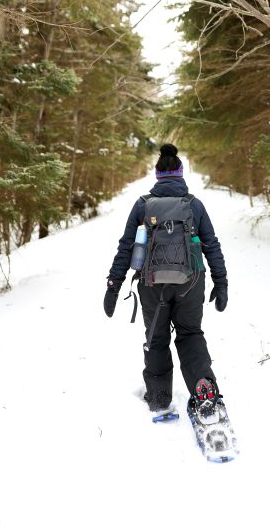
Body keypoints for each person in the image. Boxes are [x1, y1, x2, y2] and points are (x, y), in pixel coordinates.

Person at [103, 143, 228, 414]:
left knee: (157, 339)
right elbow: (212, 245)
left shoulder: (142, 205)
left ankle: (159, 399)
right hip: (190, 283)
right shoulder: (194, 205)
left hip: (151, 285)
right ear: (180, 174)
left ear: (157, 176)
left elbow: (126, 247)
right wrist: (221, 282)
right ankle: (203, 386)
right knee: (190, 334)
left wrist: (114, 285)